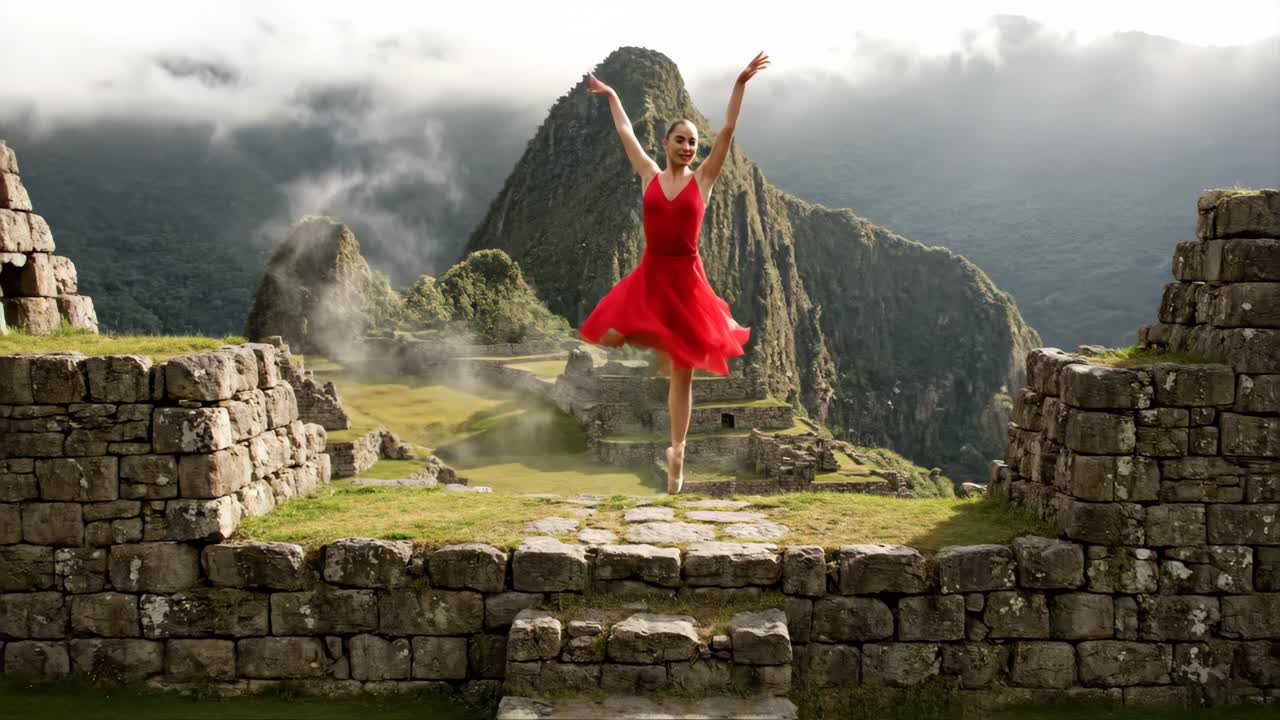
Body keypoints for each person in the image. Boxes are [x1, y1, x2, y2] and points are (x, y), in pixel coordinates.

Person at [578, 51, 770, 494]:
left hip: (686, 281)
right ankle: (648, 366)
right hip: (651, 275)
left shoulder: (703, 180)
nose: (688, 147)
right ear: (665, 144)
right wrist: (610, 95)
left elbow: (727, 131)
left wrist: (739, 83)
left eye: (692, 143)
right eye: (680, 140)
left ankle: (677, 452)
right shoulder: (648, 174)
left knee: (683, 374)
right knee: (607, 330)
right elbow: (626, 131)